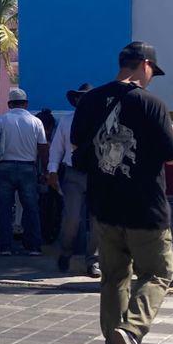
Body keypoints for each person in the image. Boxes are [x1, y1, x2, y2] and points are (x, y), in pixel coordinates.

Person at [71, 42, 173, 344]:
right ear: (144, 65)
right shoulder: (152, 104)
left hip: (104, 207)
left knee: (114, 277)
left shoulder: (89, 101)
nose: (152, 79)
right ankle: (131, 331)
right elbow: (172, 154)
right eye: (152, 72)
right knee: (160, 273)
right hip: (145, 208)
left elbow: (78, 150)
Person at [0, 88, 47, 257]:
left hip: (6, 168)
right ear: (26, 104)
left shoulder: (2, 120)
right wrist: (45, 171)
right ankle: (33, 246)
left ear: (9, 104)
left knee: (4, 208)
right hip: (28, 168)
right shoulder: (36, 122)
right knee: (31, 208)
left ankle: (5, 247)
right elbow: (42, 148)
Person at [48, 83, 100, 278]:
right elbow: (56, 149)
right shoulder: (66, 122)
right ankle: (66, 250)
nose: (84, 101)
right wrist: (52, 171)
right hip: (73, 174)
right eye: (81, 98)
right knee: (72, 218)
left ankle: (93, 261)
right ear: (76, 100)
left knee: (97, 221)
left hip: (97, 175)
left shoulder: (101, 121)